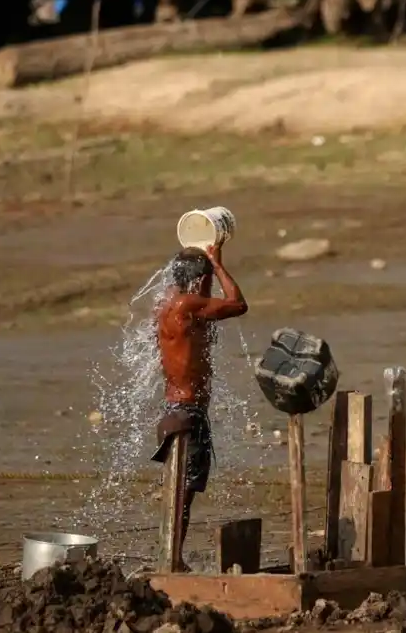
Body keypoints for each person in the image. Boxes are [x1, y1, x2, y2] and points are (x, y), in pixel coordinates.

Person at [149, 242, 248, 570]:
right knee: (185, 492)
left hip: (174, 408)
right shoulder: (187, 304)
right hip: (188, 411)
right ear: (197, 281)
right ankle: (173, 559)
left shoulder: (166, 305)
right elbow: (237, 304)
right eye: (206, 279)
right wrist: (219, 265)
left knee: (180, 488)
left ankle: (171, 555)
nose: (208, 287)